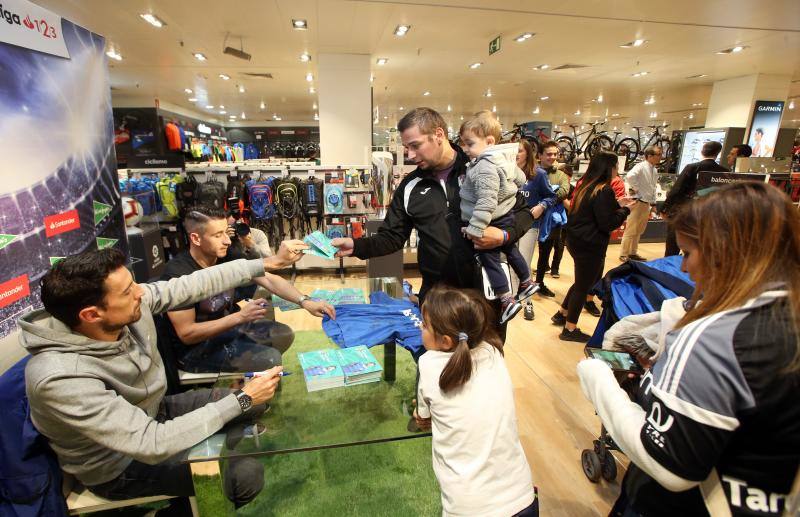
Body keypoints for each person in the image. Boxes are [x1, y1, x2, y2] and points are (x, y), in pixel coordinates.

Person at [21, 243, 307, 514]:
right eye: (127, 291)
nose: (140, 294)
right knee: (244, 474)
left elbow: (192, 284)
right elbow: (151, 442)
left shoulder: (124, 306)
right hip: (119, 465)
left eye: (134, 284)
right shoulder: (59, 377)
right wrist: (242, 399)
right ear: (91, 314)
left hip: (154, 411)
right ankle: (180, 510)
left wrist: (267, 262)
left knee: (253, 405)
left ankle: (210, 451)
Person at [578, 182, 800, 516]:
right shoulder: (782, 319)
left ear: (723, 251)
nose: (684, 269)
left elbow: (670, 465)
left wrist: (599, 381)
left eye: (688, 253)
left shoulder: (715, 335)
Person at [331, 107, 533, 327]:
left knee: (486, 359)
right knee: (432, 362)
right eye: (407, 148)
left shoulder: (483, 167)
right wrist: (356, 245)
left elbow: (524, 212)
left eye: (415, 145)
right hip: (437, 299)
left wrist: (504, 235)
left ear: (439, 135)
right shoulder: (410, 186)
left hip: (486, 295)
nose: (410, 155)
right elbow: (391, 237)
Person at [162, 205, 335, 373]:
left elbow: (268, 279)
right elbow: (187, 333)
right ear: (196, 239)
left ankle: (256, 379)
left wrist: (305, 302)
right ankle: (248, 395)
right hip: (196, 349)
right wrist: (240, 317)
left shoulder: (227, 255)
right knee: (270, 358)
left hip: (228, 328)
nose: (227, 240)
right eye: (217, 235)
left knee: (284, 335)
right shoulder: (177, 274)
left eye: (226, 232)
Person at [414, 286, 537, 517]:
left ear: (445, 341)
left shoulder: (429, 364)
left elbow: (423, 418)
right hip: (523, 497)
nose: (420, 328)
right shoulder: (493, 351)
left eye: (424, 325)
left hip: (469, 508)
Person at [458, 111, 538, 323]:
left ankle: (506, 299)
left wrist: (475, 230)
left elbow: (485, 201)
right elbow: (520, 179)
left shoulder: (483, 166)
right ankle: (527, 281)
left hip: (489, 221)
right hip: (504, 217)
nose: (465, 149)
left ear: (489, 141)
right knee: (510, 250)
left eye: (469, 144)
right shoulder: (500, 160)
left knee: (489, 258)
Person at [552, 151, 635, 342]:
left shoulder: (586, 186)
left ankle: (562, 313)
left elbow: (595, 212)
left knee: (582, 281)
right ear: (609, 167)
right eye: (616, 166)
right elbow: (607, 223)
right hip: (591, 244)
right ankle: (570, 329)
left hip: (577, 240)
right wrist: (625, 210)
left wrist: (618, 205)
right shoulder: (603, 189)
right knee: (584, 285)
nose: (617, 170)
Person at [661, 140, 727, 256]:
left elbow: (677, 189)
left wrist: (665, 208)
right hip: (707, 213)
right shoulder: (724, 172)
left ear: (702, 151)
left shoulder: (693, 167)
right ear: (717, 153)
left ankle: (670, 267)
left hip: (684, 210)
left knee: (673, 242)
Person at [532, 140, 571, 296]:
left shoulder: (560, 174)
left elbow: (564, 191)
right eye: (549, 154)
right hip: (531, 219)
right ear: (540, 155)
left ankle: (539, 282)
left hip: (551, 221)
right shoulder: (532, 172)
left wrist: (546, 200)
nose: (553, 157)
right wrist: (550, 196)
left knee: (545, 254)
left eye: (555, 154)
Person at [620, 145, 662, 262]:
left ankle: (633, 253)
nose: (660, 157)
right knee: (631, 229)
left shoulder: (654, 169)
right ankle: (624, 253)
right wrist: (637, 190)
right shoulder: (641, 166)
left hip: (646, 203)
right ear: (649, 156)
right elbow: (629, 176)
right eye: (658, 154)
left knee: (639, 230)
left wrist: (653, 203)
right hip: (638, 202)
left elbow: (653, 188)